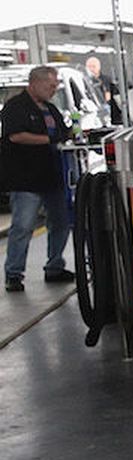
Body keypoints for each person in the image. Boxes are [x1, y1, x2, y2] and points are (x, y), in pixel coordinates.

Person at [2, 65, 75, 291]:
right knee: (23, 226)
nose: (54, 90)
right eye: (50, 86)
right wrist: (50, 141)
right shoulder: (16, 107)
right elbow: (16, 136)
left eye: (55, 86)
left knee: (61, 223)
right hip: (26, 179)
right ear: (35, 83)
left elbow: (63, 133)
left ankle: (54, 266)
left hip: (52, 177)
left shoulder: (51, 109)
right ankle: (14, 274)